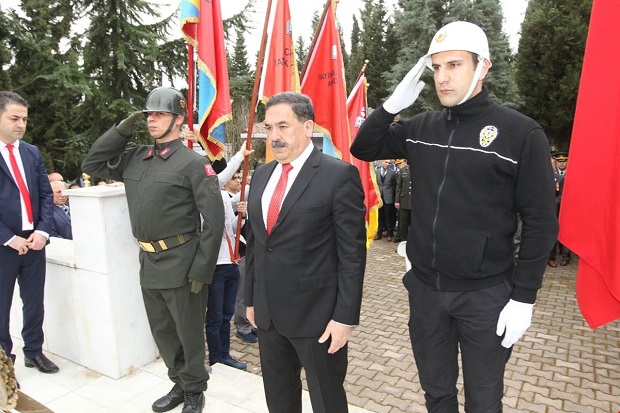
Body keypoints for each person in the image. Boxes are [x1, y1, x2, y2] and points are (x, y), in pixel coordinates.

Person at [350, 21, 558, 412]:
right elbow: (363, 147)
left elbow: (542, 221)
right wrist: (391, 107)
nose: (443, 78)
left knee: (483, 399)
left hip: (486, 296)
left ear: (483, 67)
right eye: (437, 67)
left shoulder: (520, 133)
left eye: (455, 65)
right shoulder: (420, 128)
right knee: (437, 393)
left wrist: (524, 297)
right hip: (427, 291)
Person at [81, 86, 224, 413]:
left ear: (178, 119)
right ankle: (179, 382)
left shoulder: (193, 163)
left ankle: (194, 390)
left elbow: (214, 222)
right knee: (163, 332)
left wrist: (202, 270)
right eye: (148, 114)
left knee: (188, 334)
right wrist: (121, 130)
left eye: (159, 114)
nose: (151, 120)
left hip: (183, 261)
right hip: (149, 260)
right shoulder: (135, 157)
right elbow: (93, 163)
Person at [245, 92, 367, 413]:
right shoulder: (261, 176)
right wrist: (251, 299)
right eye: (269, 127)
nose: (274, 137)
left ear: (308, 126)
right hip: (269, 318)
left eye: (283, 126)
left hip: (318, 320)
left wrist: (344, 318)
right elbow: (259, 243)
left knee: (327, 402)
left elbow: (352, 256)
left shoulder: (338, 176)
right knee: (280, 400)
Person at [0, 91, 59, 375]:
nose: (21, 124)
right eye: (14, 118)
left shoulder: (31, 152)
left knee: (35, 302)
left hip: (35, 241)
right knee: (1, 306)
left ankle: (33, 352)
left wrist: (43, 231)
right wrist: (9, 238)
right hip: (4, 244)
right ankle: (4, 365)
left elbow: (47, 196)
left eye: (24, 119)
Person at [374, 159, 397, 242]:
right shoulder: (376, 172)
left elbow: (394, 186)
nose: (387, 164)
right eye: (386, 162)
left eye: (389, 163)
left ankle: (389, 234)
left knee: (388, 217)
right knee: (380, 216)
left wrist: (394, 198)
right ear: (382, 162)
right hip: (379, 197)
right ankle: (379, 233)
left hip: (388, 197)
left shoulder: (392, 172)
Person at [394, 158, 411, 244]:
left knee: (413, 224)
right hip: (404, 200)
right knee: (403, 224)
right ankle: (403, 242)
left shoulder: (420, 170)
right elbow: (399, 187)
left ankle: (412, 244)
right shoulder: (403, 170)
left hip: (414, 202)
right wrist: (397, 201)